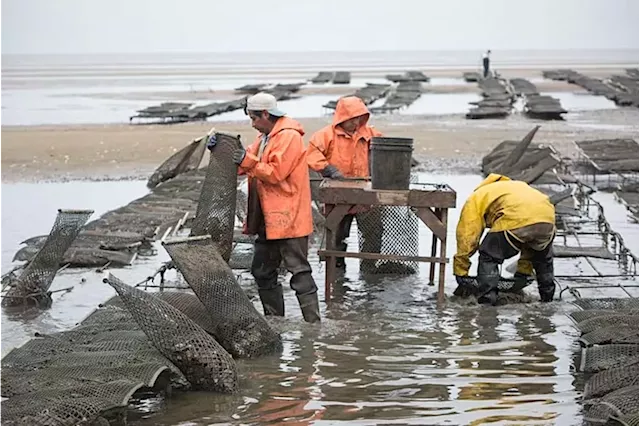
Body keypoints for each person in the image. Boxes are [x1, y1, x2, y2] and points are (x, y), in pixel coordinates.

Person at [234, 92, 320, 323]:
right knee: (262, 271)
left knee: (299, 272)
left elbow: (275, 173)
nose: (253, 124)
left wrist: (245, 159)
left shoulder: (289, 137)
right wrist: (227, 153)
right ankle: (275, 322)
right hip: (268, 218)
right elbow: (247, 163)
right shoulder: (265, 137)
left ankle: (313, 326)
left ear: (265, 114)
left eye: (254, 118)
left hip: (288, 216)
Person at [453, 173, 556, 305]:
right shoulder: (517, 187)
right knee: (542, 260)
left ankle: (487, 302)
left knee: (488, 256)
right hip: (547, 220)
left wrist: (461, 269)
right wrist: (522, 273)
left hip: (515, 219)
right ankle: (548, 301)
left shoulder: (479, 195)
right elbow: (528, 243)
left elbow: (467, 234)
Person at [306, 96, 382, 269]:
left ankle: (369, 267)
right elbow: (311, 154)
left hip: (366, 194)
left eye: (359, 117)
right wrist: (328, 169)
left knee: (373, 232)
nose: (356, 121)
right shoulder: (325, 135)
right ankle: (336, 268)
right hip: (338, 195)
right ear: (342, 117)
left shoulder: (370, 134)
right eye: (352, 118)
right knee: (337, 235)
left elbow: (386, 148)